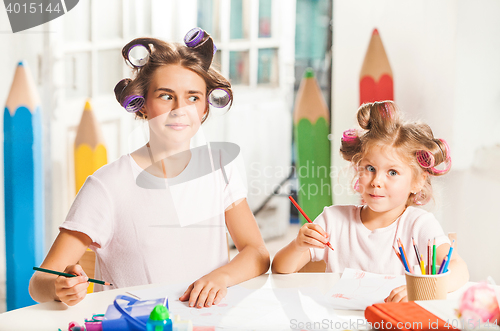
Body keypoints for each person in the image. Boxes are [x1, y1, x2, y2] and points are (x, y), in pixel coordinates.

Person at [29, 28, 270, 308]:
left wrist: (221, 277)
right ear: (142, 105)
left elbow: (257, 253)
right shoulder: (107, 186)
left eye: (193, 97)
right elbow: (39, 283)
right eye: (166, 96)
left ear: (205, 107)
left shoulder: (218, 168)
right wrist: (60, 286)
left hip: (208, 323)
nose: (180, 109)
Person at [272, 101, 468, 302]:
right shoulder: (333, 219)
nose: (376, 181)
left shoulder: (418, 225)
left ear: (417, 182)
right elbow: (280, 268)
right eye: (370, 168)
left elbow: (459, 269)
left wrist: (424, 289)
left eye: (392, 172)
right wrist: (298, 246)